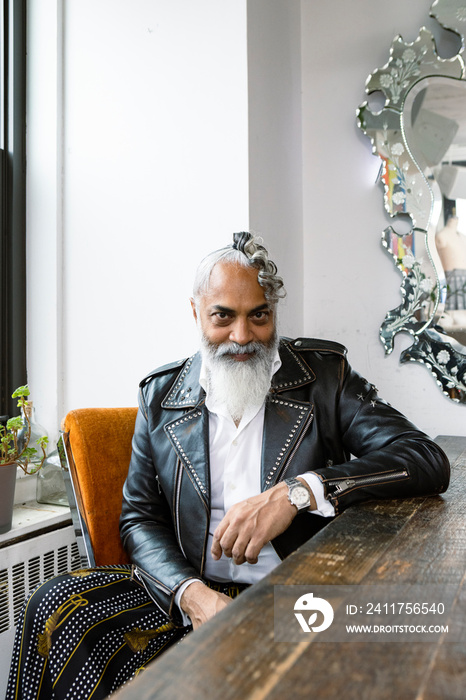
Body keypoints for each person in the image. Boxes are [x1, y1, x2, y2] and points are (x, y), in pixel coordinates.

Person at [7, 232, 450, 700]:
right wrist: (191, 595)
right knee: (52, 605)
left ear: (274, 312)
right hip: (191, 591)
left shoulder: (323, 378)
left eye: (259, 315)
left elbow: (424, 458)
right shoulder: (160, 397)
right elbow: (139, 519)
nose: (242, 337)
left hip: (296, 597)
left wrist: (298, 491)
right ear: (196, 312)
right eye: (224, 316)